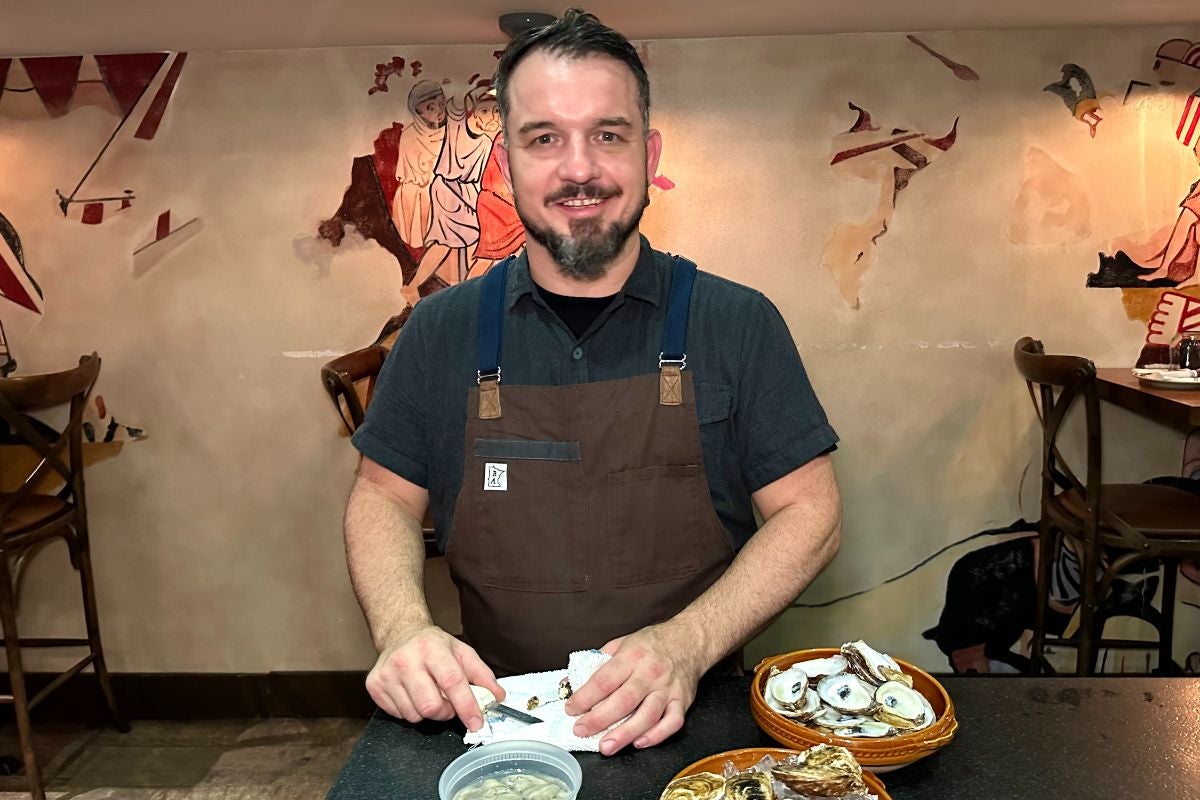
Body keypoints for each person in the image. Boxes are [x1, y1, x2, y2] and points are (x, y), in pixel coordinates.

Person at [344, 8, 842, 757]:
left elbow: (812, 513)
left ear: (649, 153)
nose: (579, 169)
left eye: (607, 135)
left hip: (700, 714)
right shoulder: (439, 331)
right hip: (495, 716)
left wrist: (687, 644)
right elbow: (382, 496)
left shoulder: (738, 322)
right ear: (507, 162)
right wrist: (404, 628)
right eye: (544, 138)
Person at [402, 83, 502, 307]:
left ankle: (468, 291)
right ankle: (413, 286)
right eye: (484, 111)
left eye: (496, 111)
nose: (492, 117)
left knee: (474, 244)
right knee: (447, 242)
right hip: (449, 190)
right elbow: (456, 100)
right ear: (472, 110)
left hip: (470, 192)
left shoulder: (490, 138)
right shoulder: (457, 124)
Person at [392, 81, 448, 249]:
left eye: (441, 104)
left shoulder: (452, 132)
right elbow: (418, 173)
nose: (438, 111)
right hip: (419, 191)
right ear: (417, 112)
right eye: (430, 108)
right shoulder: (409, 136)